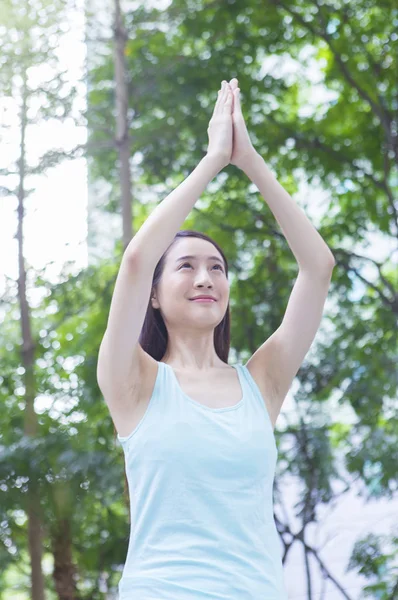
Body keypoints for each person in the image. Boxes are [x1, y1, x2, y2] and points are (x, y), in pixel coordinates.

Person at [97, 78, 335, 599]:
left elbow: (318, 267)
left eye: (217, 268)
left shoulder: (261, 383)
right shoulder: (132, 381)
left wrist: (248, 161)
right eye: (186, 266)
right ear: (154, 295)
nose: (206, 278)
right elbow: (136, 261)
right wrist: (212, 160)